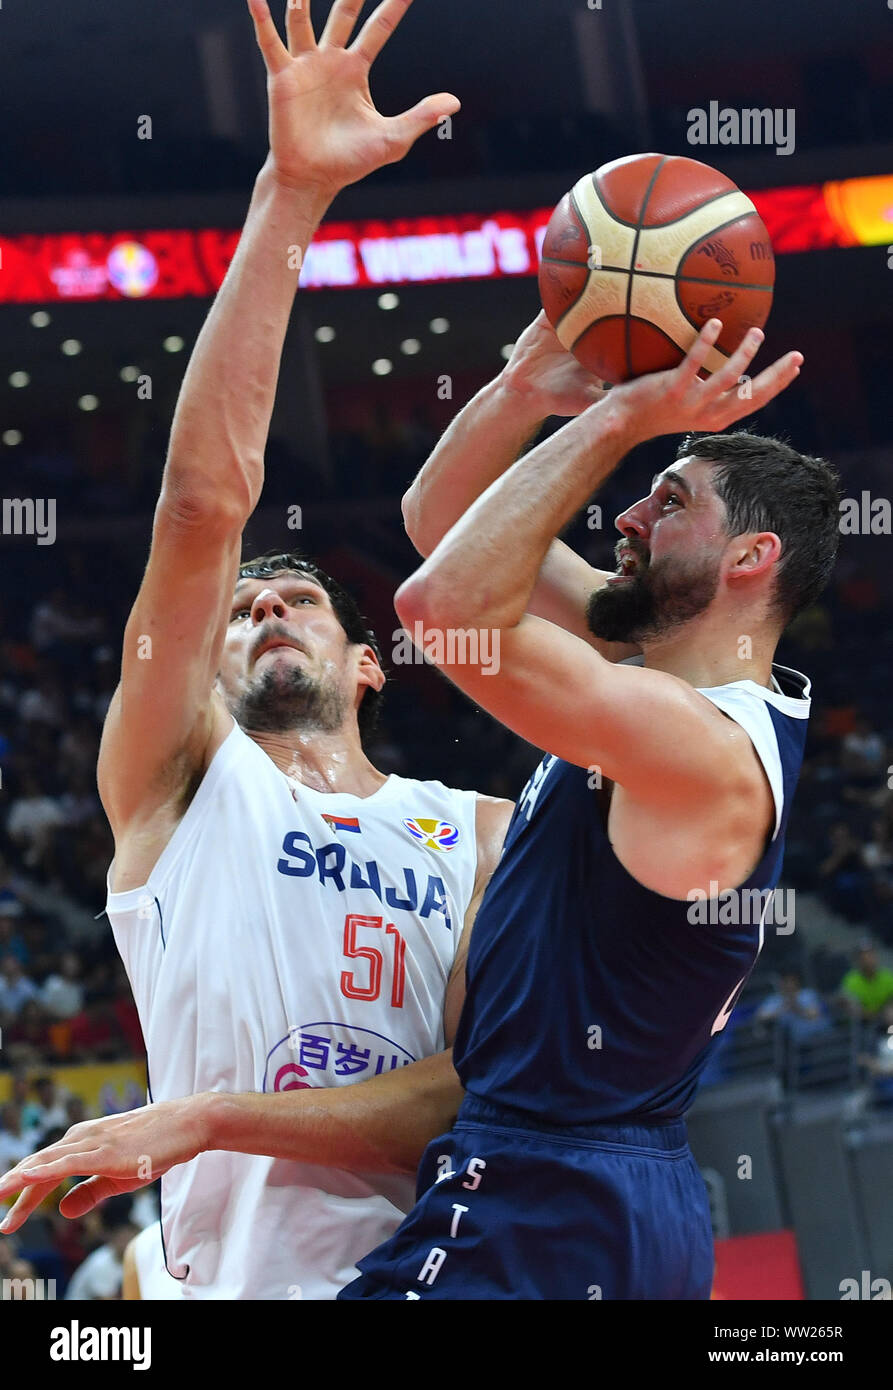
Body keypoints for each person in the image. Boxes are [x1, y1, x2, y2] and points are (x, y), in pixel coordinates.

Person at [0, 0, 511, 1301]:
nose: (263, 611)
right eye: (242, 612)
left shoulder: (484, 832)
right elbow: (200, 509)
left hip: (435, 1277)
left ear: (369, 665)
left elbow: (462, 1098)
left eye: (299, 605)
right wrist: (289, 198)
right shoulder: (180, 781)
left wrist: (211, 1118)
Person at [336, 309, 840, 1299]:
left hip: (552, 1195)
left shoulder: (699, 748)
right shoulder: (646, 673)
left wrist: (617, 420)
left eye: (667, 502)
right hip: (583, 1187)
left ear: (748, 557)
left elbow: (439, 609)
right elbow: (439, 524)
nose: (625, 518)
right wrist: (525, 386)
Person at [839, 944, 893, 1030]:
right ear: (857, 961)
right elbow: (850, 1006)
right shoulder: (851, 980)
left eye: (870, 956)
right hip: (863, 1024)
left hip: (886, 1020)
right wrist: (872, 1015)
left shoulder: (887, 976)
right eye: (864, 958)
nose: (868, 961)